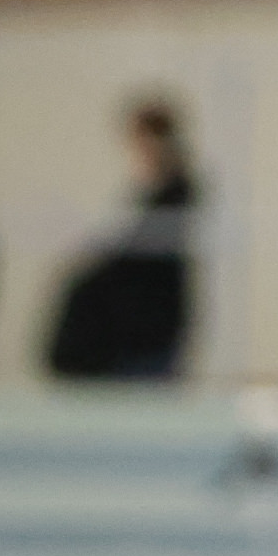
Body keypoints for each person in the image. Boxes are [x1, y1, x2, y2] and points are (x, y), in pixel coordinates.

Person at [46, 99, 198, 381]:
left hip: (149, 327)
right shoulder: (155, 194)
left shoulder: (177, 193)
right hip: (138, 327)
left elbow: (145, 252)